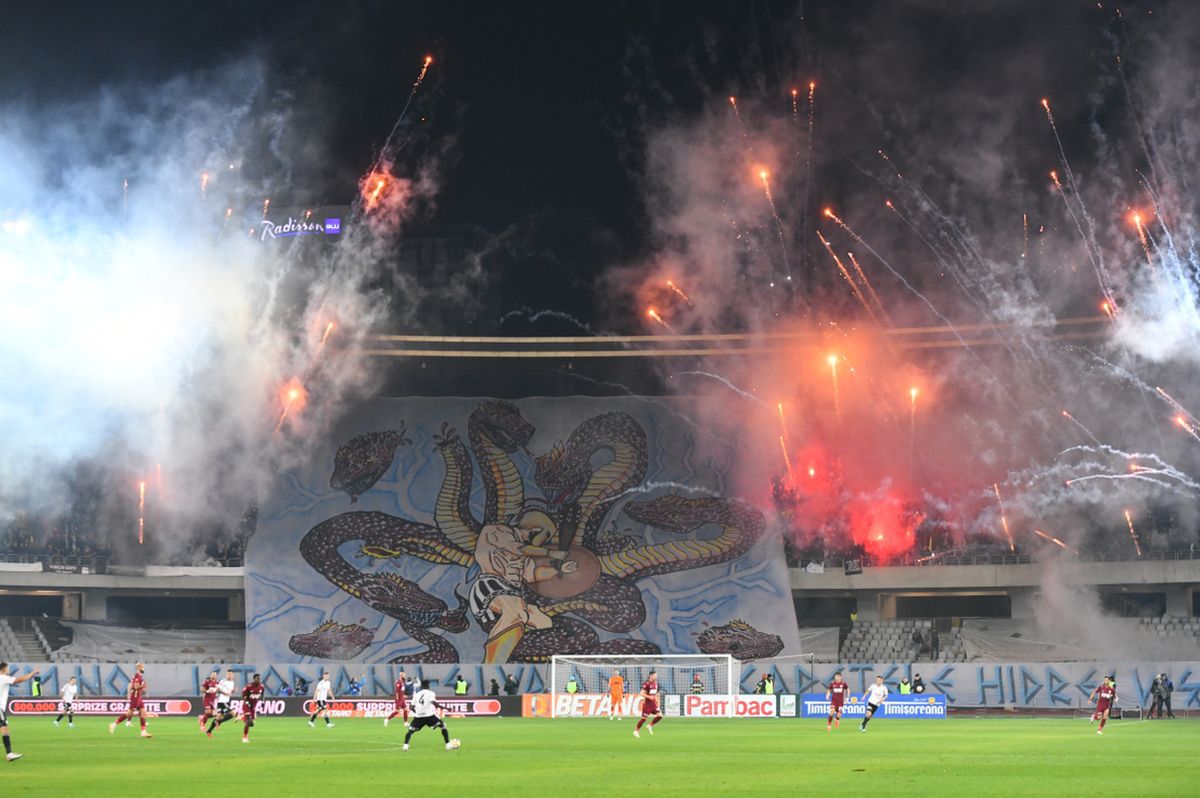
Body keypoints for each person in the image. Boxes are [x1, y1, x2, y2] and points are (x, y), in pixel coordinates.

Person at [0, 662, 40, 760]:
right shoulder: (3, 678)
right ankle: (9, 754)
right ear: (4, 669)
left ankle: (9, 754)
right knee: (4, 729)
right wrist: (34, 672)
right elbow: (21, 679)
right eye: (7, 668)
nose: (8, 669)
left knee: (4, 728)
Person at [403, 680, 455, 752]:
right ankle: (448, 745)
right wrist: (445, 708)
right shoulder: (431, 693)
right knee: (443, 725)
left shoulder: (417, 694)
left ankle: (405, 746)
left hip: (418, 717)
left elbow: (411, 707)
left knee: (410, 731)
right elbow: (434, 703)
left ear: (422, 686)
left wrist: (417, 712)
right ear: (428, 686)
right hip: (429, 716)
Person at [109, 662, 152, 738]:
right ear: (139, 668)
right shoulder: (137, 676)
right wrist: (143, 685)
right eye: (142, 667)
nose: (143, 668)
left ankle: (143, 731)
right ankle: (114, 724)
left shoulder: (139, 676)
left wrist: (130, 693)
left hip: (138, 697)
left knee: (143, 713)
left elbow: (130, 685)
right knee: (129, 714)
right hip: (135, 697)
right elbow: (135, 687)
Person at [205, 670, 238, 737]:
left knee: (218, 717)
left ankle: (209, 731)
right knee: (233, 713)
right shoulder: (223, 681)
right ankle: (219, 722)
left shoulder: (232, 682)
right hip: (222, 701)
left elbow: (229, 692)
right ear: (226, 675)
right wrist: (224, 693)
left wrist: (233, 691)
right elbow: (217, 690)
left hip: (226, 701)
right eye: (228, 674)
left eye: (230, 674)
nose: (229, 675)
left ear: (232, 675)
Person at [633, 670, 662, 738]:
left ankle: (650, 726)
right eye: (654, 676)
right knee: (644, 719)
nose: (656, 677)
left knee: (660, 715)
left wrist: (656, 700)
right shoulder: (646, 684)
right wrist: (649, 697)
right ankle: (636, 731)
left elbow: (655, 694)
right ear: (650, 676)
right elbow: (641, 693)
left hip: (653, 704)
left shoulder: (656, 684)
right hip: (647, 704)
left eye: (656, 676)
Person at [240, 673, 264, 744]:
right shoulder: (249, 686)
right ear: (254, 679)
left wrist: (262, 702)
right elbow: (243, 695)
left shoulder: (262, 687)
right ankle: (244, 737)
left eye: (260, 678)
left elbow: (262, 694)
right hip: (247, 705)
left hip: (253, 707)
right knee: (249, 721)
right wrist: (246, 702)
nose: (259, 680)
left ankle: (243, 718)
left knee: (252, 724)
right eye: (257, 678)